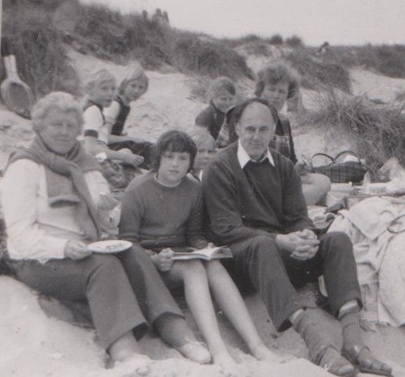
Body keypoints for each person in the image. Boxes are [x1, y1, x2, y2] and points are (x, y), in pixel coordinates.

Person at [0, 92, 212, 370]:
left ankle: (177, 332)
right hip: (39, 258)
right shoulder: (24, 167)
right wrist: (63, 247)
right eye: (56, 125)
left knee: (133, 252)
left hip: (86, 247)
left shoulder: (85, 163)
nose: (64, 132)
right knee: (103, 266)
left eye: (70, 126)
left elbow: (104, 214)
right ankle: (123, 349)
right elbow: (19, 237)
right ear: (38, 127)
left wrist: (108, 215)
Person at [202, 99, 393, 377]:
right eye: (250, 129)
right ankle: (317, 345)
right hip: (241, 261)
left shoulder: (283, 166)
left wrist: (305, 236)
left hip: (279, 252)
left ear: (274, 131)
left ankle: (353, 342)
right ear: (237, 128)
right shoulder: (220, 167)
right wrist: (281, 240)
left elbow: (298, 216)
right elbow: (225, 228)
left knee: (337, 240)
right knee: (262, 243)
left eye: (263, 130)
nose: (256, 137)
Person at [119, 130, 280, 369]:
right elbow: (127, 241)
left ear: (190, 162)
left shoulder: (193, 188)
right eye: (169, 157)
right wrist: (153, 259)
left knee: (213, 265)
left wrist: (206, 247)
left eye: (183, 158)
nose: (175, 164)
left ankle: (256, 344)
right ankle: (219, 350)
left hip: (178, 255)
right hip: (148, 263)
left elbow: (194, 235)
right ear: (159, 158)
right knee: (194, 268)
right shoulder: (138, 189)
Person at [254, 62, 330, 205]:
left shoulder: (283, 121)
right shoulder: (249, 117)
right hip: (256, 182)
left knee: (323, 181)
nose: (276, 96)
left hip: (280, 180)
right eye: (271, 89)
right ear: (261, 90)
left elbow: (291, 160)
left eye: (282, 91)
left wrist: (299, 167)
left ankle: (288, 208)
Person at [82, 68, 144, 168]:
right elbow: (90, 149)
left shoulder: (95, 109)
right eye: (104, 88)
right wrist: (122, 157)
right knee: (129, 171)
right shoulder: (93, 111)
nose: (110, 93)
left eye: (113, 89)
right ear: (90, 90)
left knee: (127, 152)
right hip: (94, 161)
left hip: (96, 157)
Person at [104, 63, 154, 167]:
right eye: (133, 85)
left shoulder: (125, 105)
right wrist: (129, 138)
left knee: (149, 147)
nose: (136, 91)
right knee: (139, 150)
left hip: (113, 145)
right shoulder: (115, 104)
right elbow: (104, 137)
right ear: (124, 84)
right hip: (103, 149)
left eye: (141, 87)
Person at [195, 77, 237, 149]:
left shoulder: (232, 114)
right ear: (213, 97)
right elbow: (198, 142)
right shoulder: (206, 116)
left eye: (231, 99)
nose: (228, 103)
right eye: (223, 99)